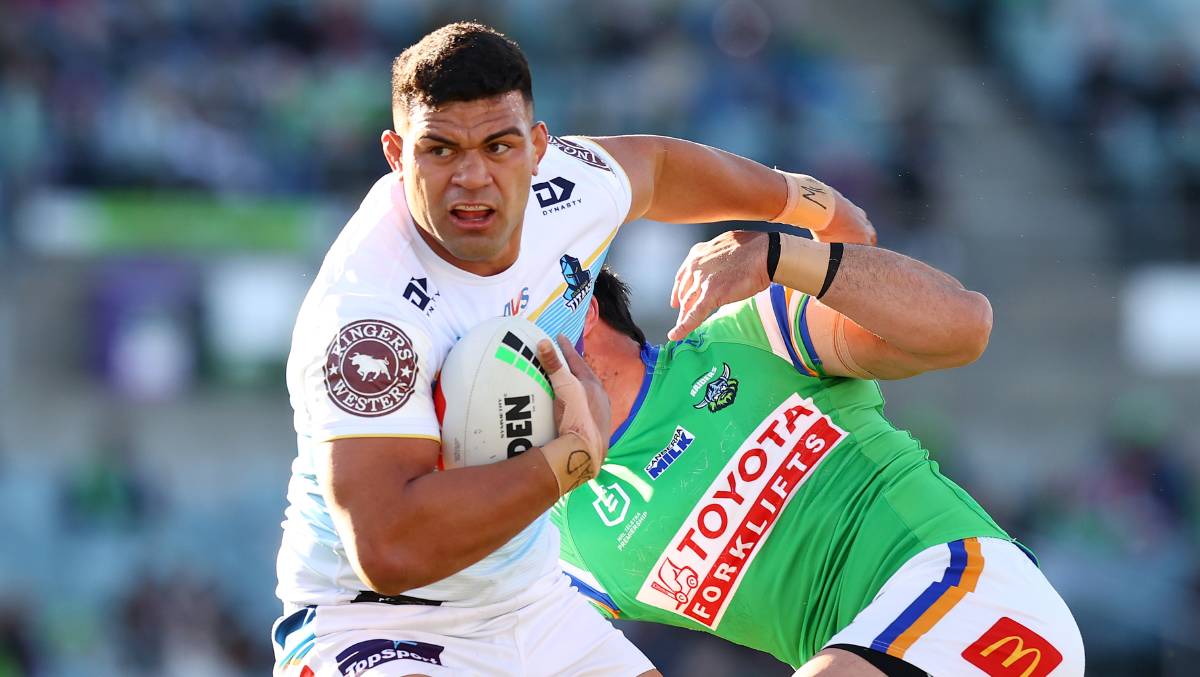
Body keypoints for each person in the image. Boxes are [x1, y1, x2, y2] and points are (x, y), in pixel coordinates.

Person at [272, 21, 876, 677]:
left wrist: (810, 201)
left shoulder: (569, 185)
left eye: (498, 146)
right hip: (375, 617)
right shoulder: (366, 316)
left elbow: (661, 169)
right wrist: (570, 461)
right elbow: (386, 545)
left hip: (526, 600)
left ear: (537, 148)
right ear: (396, 153)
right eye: (439, 150)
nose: (472, 177)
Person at [552, 233, 1085, 676]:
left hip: (978, 599)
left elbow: (965, 327)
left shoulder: (750, 333)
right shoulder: (560, 536)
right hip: (875, 653)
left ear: (583, 311)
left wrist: (779, 256)